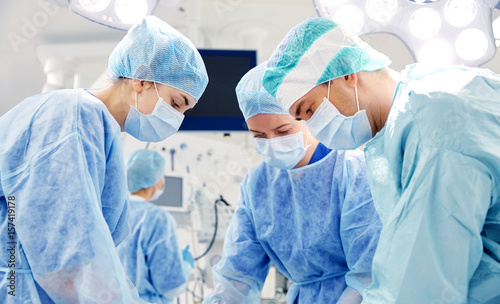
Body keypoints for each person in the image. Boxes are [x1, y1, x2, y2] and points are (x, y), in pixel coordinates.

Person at [262, 17, 500, 304]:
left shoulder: (434, 125)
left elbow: (424, 283)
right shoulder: (410, 113)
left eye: (309, 110)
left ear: (345, 75)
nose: (314, 129)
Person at [0, 16, 207, 303]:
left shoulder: (98, 129)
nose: (176, 119)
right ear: (141, 78)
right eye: (175, 104)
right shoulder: (74, 118)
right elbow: (67, 261)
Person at [202, 64, 381, 304]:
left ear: (306, 115)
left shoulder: (352, 171)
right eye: (259, 136)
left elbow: (368, 276)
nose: (272, 142)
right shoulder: (257, 185)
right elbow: (238, 276)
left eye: (283, 130)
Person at [117, 149, 194, 304]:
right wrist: (185, 265)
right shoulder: (157, 219)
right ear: (156, 180)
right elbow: (170, 285)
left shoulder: (113, 214)